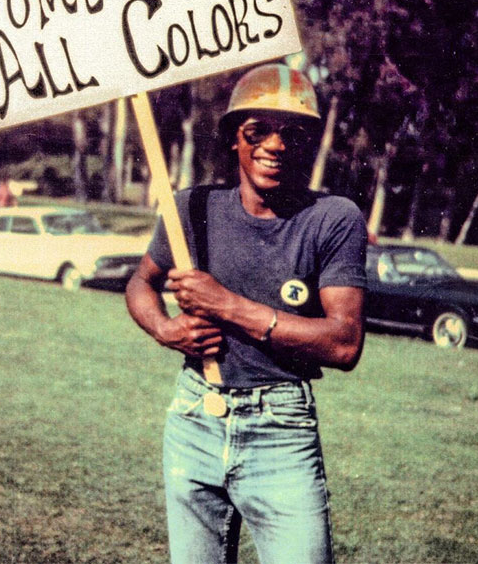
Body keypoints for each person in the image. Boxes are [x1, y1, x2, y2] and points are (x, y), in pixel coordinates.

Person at [126, 63, 367, 564]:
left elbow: (344, 344)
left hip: (281, 428)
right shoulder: (192, 208)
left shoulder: (333, 219)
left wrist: (225, 305)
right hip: (195, 418)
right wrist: (165, 329)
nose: (274, 145)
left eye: (293, 134)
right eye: (256, 130)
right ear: (233, 139)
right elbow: (140, 282)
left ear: (310, 144)